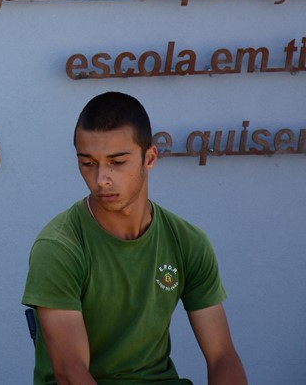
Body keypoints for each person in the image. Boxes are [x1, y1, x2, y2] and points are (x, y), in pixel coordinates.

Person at [22, 91, 246, 385]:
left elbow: (222, 357)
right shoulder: (59, 246)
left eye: (117, 162)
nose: (101, 178)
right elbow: (70, 371)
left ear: (149, 158)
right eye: (88, 163)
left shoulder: (187, 242)